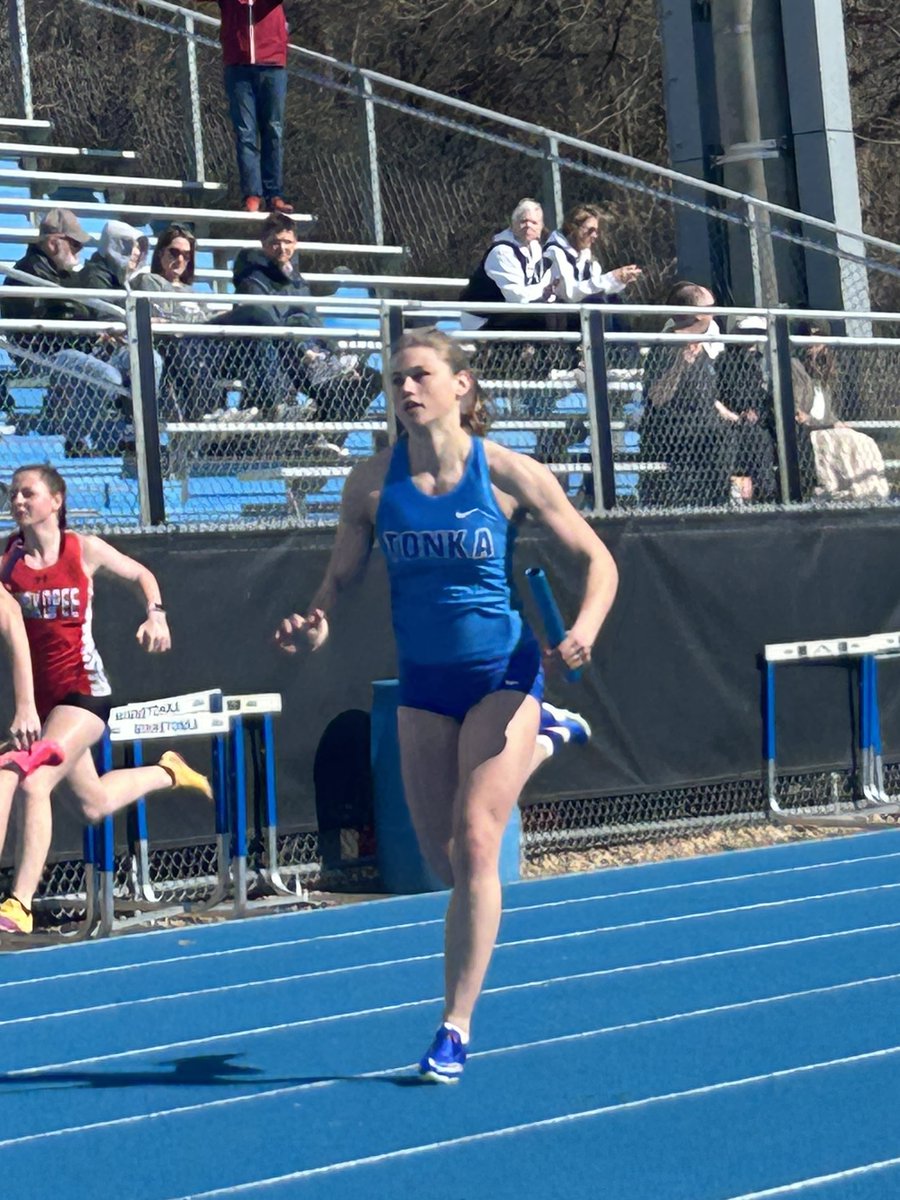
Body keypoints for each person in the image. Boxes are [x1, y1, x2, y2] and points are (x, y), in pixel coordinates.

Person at [275, 329, 618, 1082]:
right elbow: (339, 582)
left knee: (475, 838)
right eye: (395, 379)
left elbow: (599, 560)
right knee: (443, 864)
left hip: (502, 669)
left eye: (420, 375)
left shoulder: (506, 473)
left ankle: (454, 1028)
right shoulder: (369, 484)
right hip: (424, 685)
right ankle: (547, 739)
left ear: (461, 385)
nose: (405, 390)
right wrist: (317, 622)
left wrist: (583, 633)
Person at [0, 464, 213, 936]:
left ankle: (19, 902)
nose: (17, 502)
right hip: (45, 703)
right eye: (12, 494)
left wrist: (155, 615)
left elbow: (141, 574)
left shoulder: (84, 549)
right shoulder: (9, 563)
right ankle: (168, 771)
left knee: (33, 782)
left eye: (27, 493)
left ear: (56, 500)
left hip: (85, 696)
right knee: (93, 804)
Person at [638, 282, 733, 509]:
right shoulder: (667, 346)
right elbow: (657, 397)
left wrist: (726, 412)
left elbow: (706, 395)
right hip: (676, 431)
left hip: (705, 426)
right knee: (719, 441)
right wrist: (680, 365)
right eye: (711, 307)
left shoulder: (701, 346)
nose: (715, 312)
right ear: (698, 314)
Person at [196, 0, 293, 214]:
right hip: (238, 66)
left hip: (272, 64)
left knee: (273, 129)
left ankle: (274, 193)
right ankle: (252, 194)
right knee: (245, 132)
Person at [460, 198, 556, 333]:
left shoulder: (535, 249)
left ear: (541, 227)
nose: (528, 225)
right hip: (481, 322)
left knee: (562, 313)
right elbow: (518, 298)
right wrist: (543, 291)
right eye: (523, 221)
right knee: (546, 316)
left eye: (534, 222)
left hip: (511, 314)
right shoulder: (502, 251)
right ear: (513, 224)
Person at [544, 203, 642, 310]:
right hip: (562, 316)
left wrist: (619, 280)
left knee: (614, 300)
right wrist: (610, 278)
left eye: (596, 231)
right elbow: (570, 294)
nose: (594, 236)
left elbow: (597, 288)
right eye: (590, 230)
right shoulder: (553, 253)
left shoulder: (588, 259)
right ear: (572, 228)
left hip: (581, 315)